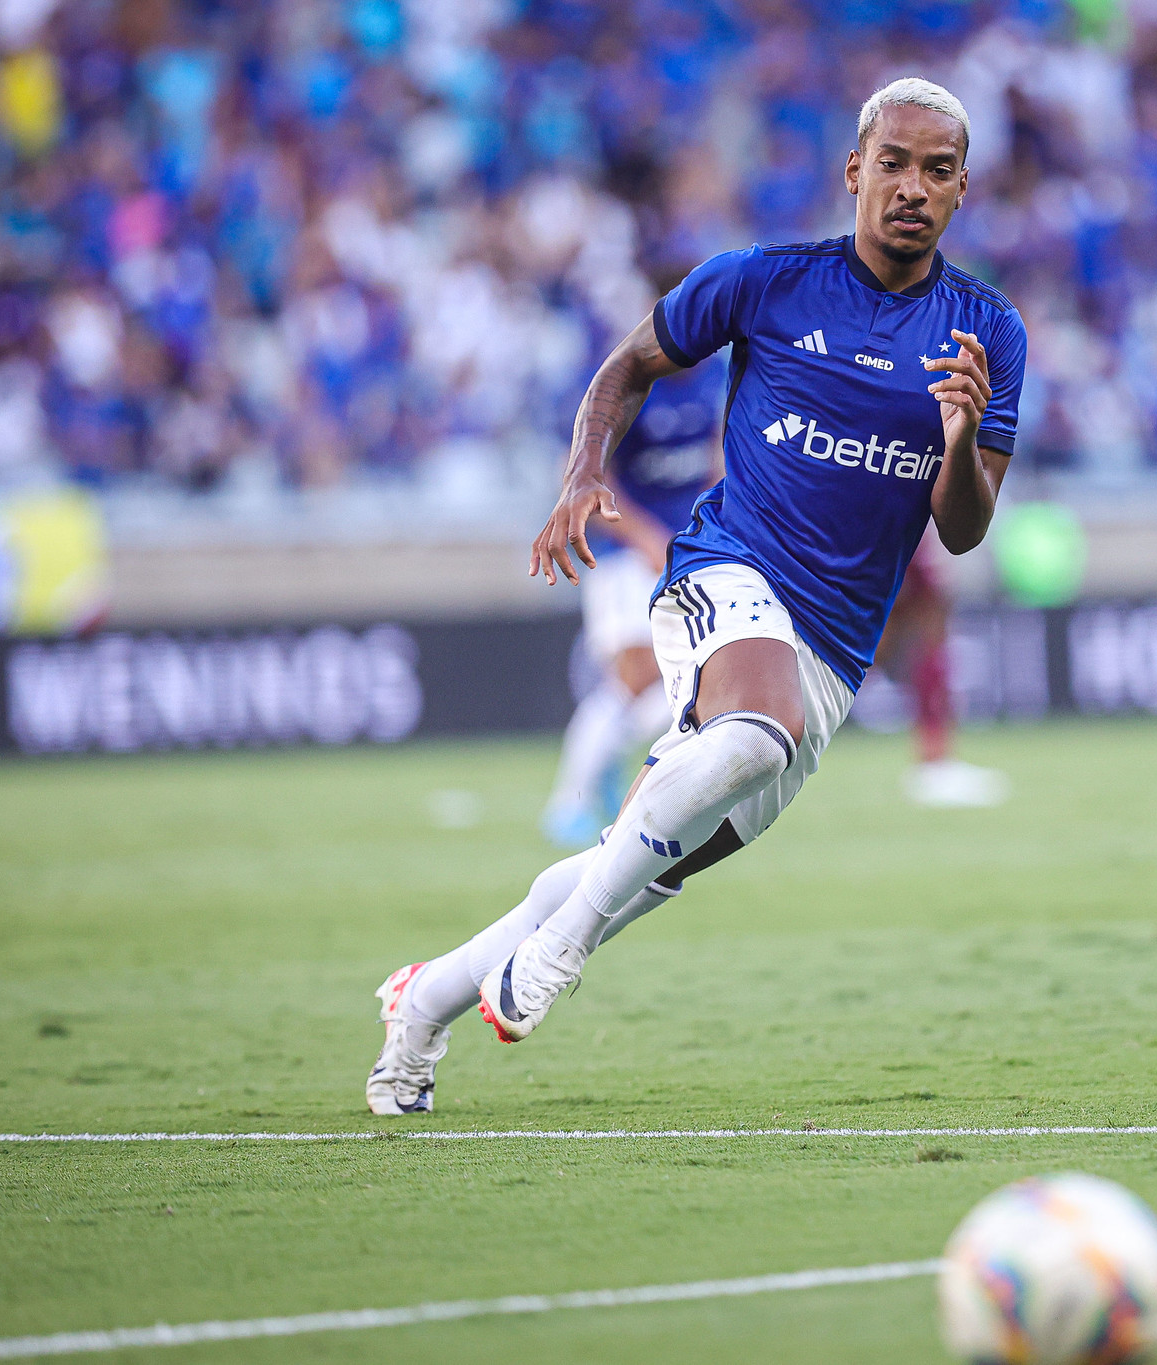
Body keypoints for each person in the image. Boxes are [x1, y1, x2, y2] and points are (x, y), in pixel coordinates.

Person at [368, 78, 1026, 1114]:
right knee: (746, 740)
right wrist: (587, 468)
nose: (912, 186)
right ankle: (560, 956)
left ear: (959, 190)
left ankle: (422, 1004)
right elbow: (628, 365)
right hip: (726, 569)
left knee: (628, 866)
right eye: (893, 163)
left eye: (936, 171)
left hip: (835, 650)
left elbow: (962, 525)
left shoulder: (987, 331)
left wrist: (955, 442)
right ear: (855, 171)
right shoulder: (761, 281)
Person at [540, 298, 725, 849]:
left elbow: (713, 457)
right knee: (635, 678)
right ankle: (566, 803)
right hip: (624, 557)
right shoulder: (626, 375)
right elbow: (581, 471)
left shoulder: (714, 374)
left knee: (686, 688)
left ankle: (607, 769)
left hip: (682, 550)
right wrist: (644, 537)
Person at [879, 542, 1009, 808]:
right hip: (886, 532)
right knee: (920, 646)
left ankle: (935, 761)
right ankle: (934, 764)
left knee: (930, 655)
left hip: (891, 535)